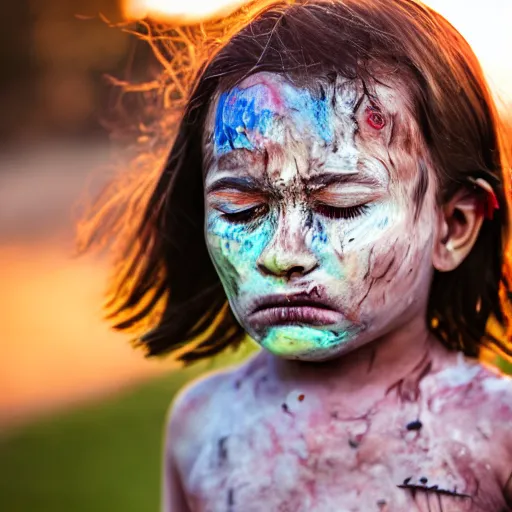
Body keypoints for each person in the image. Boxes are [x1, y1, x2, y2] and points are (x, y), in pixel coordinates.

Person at [81, 0, 512, 509]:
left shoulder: (497, 433)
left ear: (453, 227)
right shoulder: (202, 426)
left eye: (340, 205)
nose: (283, 255)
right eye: (241, 208)